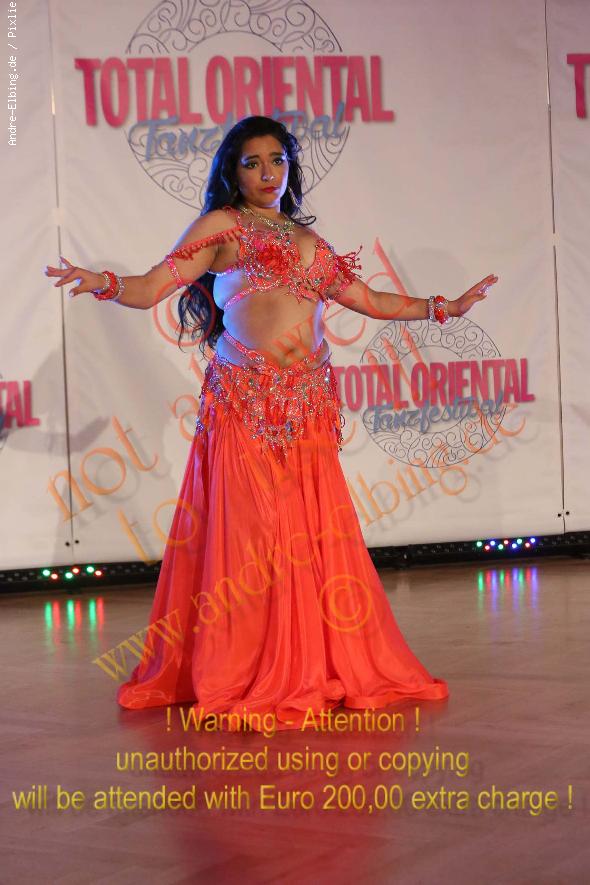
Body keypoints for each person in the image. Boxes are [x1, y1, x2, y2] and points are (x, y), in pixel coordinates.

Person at [45, 115, 497, 732]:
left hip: (306, 406)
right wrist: (101, 282)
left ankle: (309, 663)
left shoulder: (309, 242)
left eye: (277, 160)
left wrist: (444, 307)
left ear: (291, 167)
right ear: (232, 171)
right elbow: (151, 288)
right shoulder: (222, 227)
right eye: (252, 162)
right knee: (250, 541)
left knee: (309, 537)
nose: (266, 173)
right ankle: (241, 668)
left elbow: (370, 301)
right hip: (244, 403)